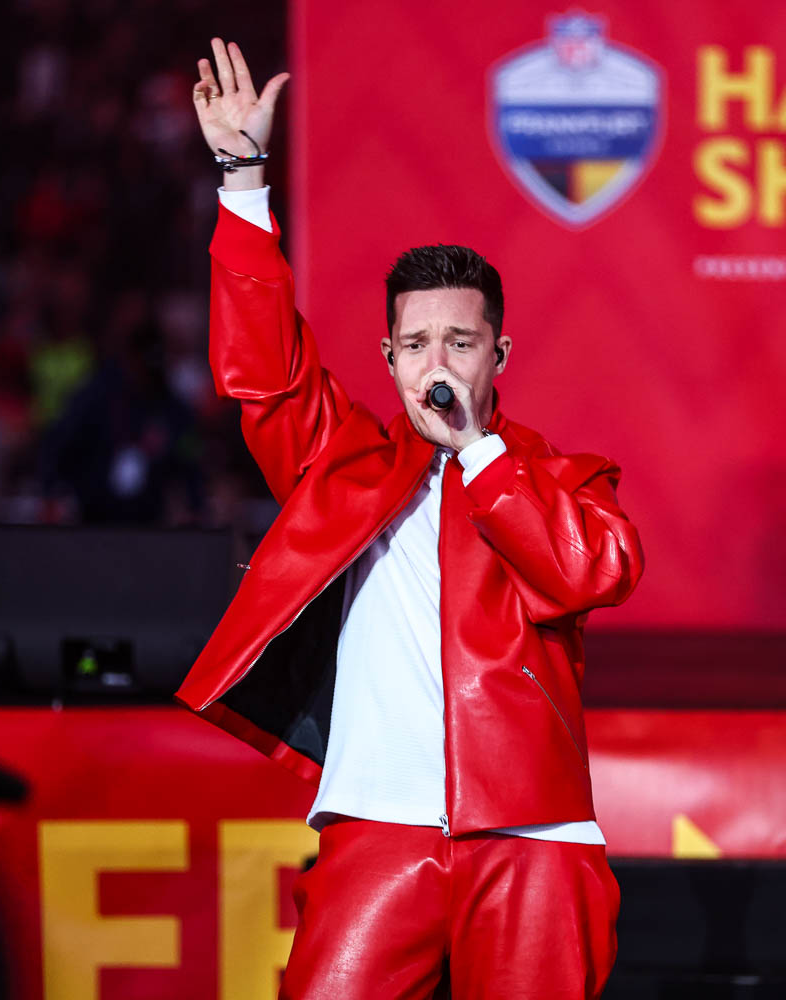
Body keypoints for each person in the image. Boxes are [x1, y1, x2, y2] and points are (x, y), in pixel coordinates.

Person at [174, 38, 643, 1000]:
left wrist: (478, 453)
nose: (437, 363)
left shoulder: (562, 477)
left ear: (498, 353)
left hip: (534, 838)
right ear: (386, 357)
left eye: (460, 342)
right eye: (416, 342)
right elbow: (262, 375)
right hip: (376, 828)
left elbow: (588, 571)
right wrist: (242, 181)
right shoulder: (343, 464)